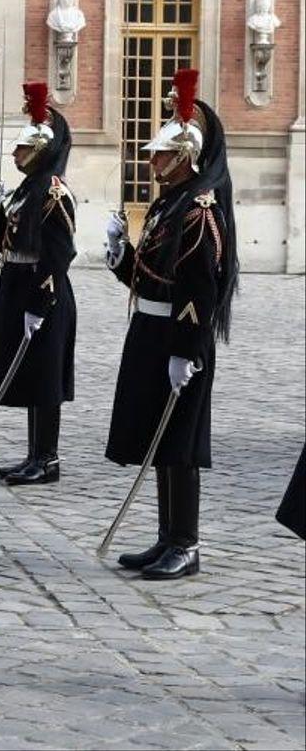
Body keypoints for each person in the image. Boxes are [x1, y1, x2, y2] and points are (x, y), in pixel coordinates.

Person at [105, 68, 238, 580]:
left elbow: (198, 290)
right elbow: (156, 278)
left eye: (162, 154)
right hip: (151, 333)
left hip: (178, 341)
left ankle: (186, 542)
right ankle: (166, 537)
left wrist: (187, 349)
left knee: (179, 444)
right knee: (158, 442)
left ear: (186, 156)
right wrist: (121, 256)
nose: (154, 160)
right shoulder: (168, 206)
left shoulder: (199, 212)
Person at [0, 83, 77, 485]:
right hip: (20, 284)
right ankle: (34, 453)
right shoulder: (27, 189)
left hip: (43, 292)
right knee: (31, 375)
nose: (15, 155)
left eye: (21, 150)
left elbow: (58, 254)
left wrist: (40, 301)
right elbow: (10, 243)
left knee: (45, 377)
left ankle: (48, 458)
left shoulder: (53, 192)